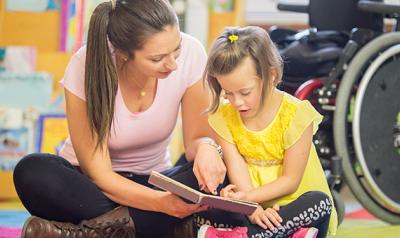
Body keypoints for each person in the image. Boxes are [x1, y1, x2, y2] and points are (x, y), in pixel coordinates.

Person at [13, 0, 226, 237]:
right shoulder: (86, 63)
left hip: (155, 180)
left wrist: (208, 147)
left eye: (176, 49)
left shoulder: (192, 52)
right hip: (92, 187)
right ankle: (149, 225)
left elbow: (197, 139)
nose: (173, 64)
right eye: (157, 59)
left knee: (222, 167)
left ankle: (92, 232)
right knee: (32, 171)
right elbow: (100, 175)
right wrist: (160, 205)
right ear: (123, 54)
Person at [194, 26, 338, 238]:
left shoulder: (296, 114)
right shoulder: (224, 116)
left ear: (271, 75)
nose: (237, 102)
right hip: (253, 207)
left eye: (245, 92)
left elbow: (291, 181)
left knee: (320, 202)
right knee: (203, 209)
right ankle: (274, 234)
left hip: (292, 205)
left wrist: (248, 197)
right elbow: (236, 166)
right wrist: (249, 206)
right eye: (228, 93)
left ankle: (246, 235)